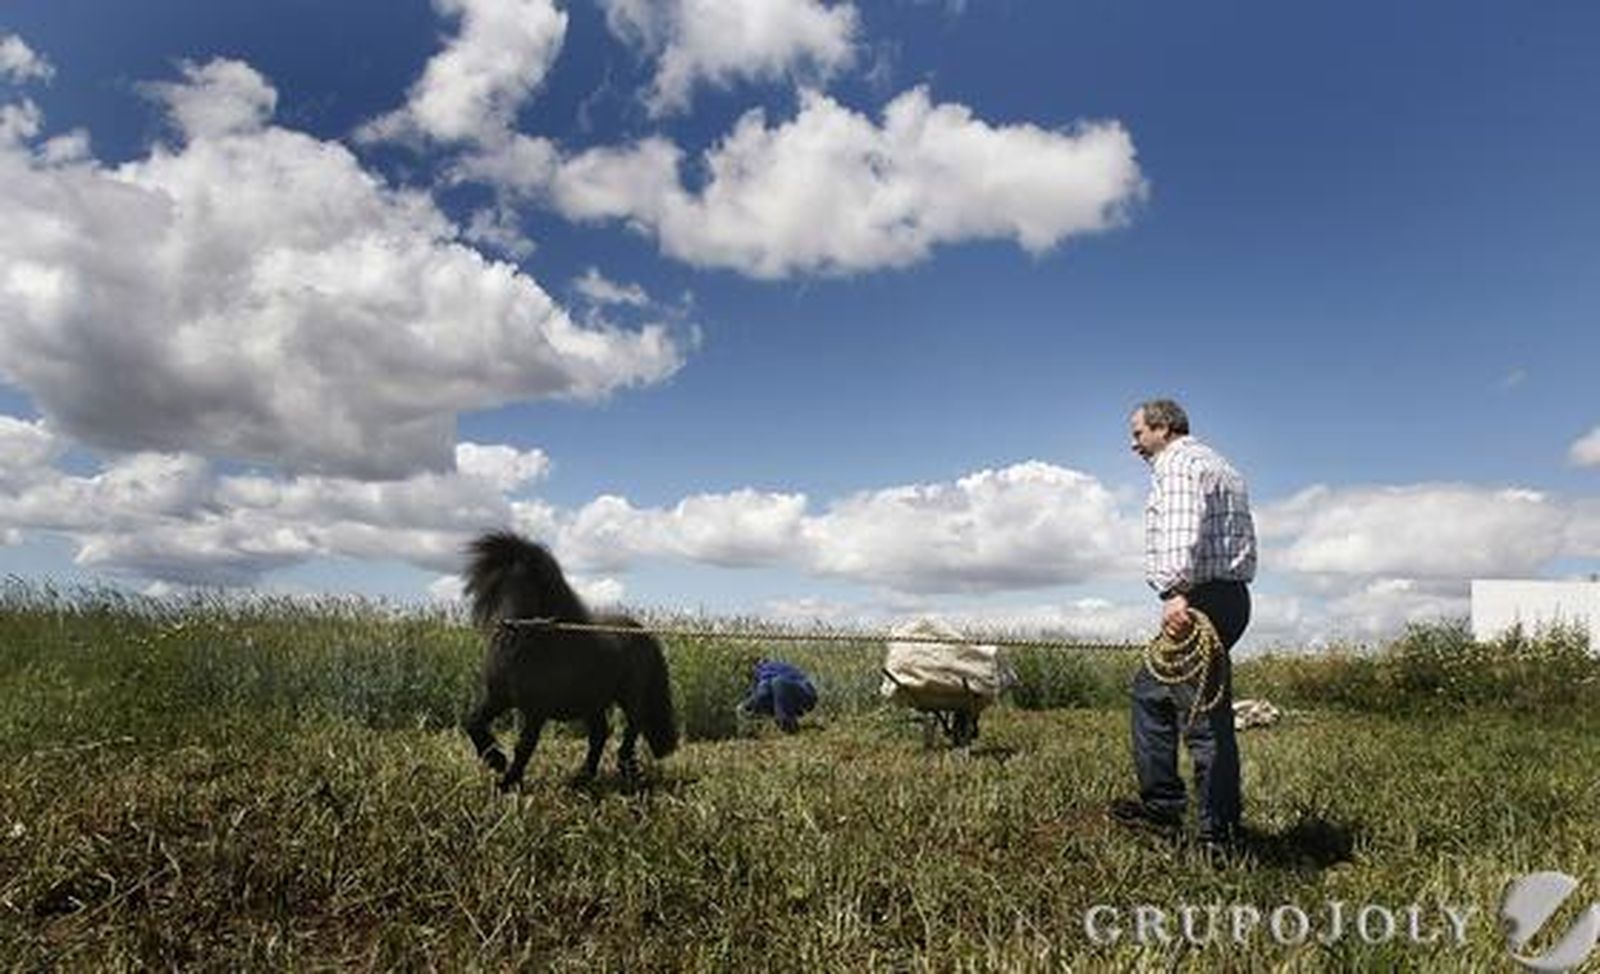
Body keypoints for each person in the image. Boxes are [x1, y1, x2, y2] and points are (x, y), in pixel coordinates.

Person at [1111, 398, 1256, 853]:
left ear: (1163, 427)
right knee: (1152, 693)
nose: (1133, 444)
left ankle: (1215, 835)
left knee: (1200, 717)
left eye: (1138, 433)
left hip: (1198, 599)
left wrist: (1174, 592)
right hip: (1228, 597)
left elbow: (1179, 527)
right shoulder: (1219, 464)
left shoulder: (1176, 465)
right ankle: (1168, 807)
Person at [737, 658, 818, 733]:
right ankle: (784, 723)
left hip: (805, 694)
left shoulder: (765, 669)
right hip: (799, 695)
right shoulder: (779, 667)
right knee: (774, 688)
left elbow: (763, 692)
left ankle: (788, 725)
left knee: (776, 683)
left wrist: (744, 706)